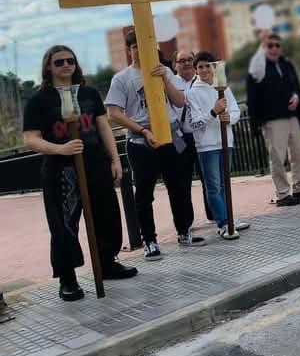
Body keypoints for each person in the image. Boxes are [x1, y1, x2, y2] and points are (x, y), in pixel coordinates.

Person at [23, 46, 137, 301]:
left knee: (107, 215)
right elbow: (30, 139)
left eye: (70, 60)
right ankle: (68, 279)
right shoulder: (39, 101)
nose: (66, 65)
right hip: (60, 169)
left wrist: (115, 159)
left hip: (95, 162)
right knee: (64, 223)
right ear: (48, 67)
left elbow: (103, 126)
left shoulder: (88, 93)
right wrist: (60, 149)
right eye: (59, 61)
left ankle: (106, 263)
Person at [106, 29, 202, 260]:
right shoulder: (122, 79)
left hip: (170, 136)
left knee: (179, 186)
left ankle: (184, 231)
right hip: (141, 142)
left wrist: (166, 79)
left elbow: (180, 101)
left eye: (147, 43)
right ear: (130, 50)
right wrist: (142, 130)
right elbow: (113, 113)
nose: (142, 49)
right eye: (136, 45)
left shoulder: (165, 70)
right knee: (144, 192)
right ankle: (150, 240)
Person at [247, 31, 300, 205]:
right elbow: (254, 77)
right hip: (272, 119)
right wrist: (261, 44)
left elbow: (294, 85)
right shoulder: (259, 66)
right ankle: (283, 194)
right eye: (270, 45)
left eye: (277, 45)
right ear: (264, 47)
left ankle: (299, 187)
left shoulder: (285, 64)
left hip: (292, 116)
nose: (274, 48)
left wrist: (296, 97)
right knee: (277, 157)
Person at [185, 52, 251, 239]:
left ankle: (229, 218)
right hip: (207, 146)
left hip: (225, 142)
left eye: (208, 66)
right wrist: (213, 112)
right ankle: (223, 223)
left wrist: (229, 117)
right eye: (200, 67)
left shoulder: (223, 89)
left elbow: (235, 110)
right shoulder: (192, 94)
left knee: (225, 184)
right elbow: (194, 123)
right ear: (196, 70)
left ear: (214, 68)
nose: (204, 70)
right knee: (213, 186)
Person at [171, 48, 212, 223]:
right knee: (182, 182)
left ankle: (214, 214)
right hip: (180, 137)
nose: (187, 63)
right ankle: (186, 222)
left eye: (190, 59)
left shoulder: (204, 81)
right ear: (174, 65)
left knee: (208, 178)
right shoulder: (169, 83)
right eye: (182, 60)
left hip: (201, 135)